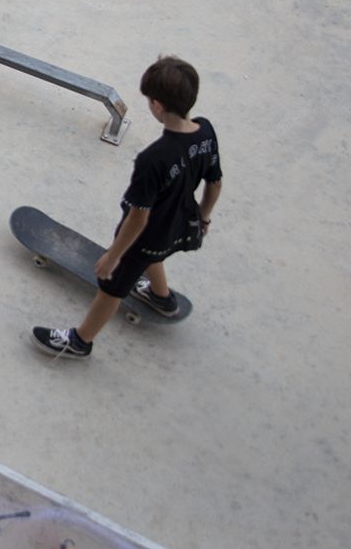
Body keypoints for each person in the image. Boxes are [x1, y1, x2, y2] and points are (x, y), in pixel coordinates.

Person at [32, 57, 223, 359]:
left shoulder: (153, 159)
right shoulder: (206, 130)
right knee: (155, 255)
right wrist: (204, 216)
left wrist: (113, 256)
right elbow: (215, 183)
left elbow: (139, 217)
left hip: (144, 236)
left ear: (157, 106)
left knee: (112, 287)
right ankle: (162, 298)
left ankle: (81, 341)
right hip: (182, 223)